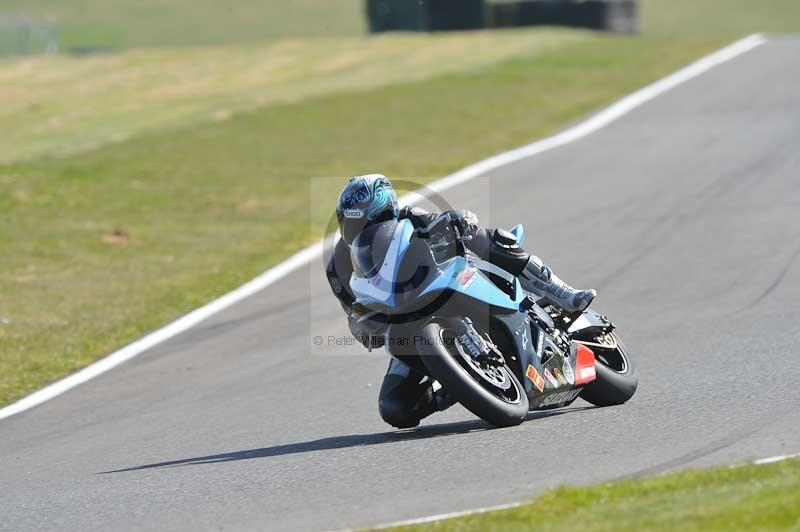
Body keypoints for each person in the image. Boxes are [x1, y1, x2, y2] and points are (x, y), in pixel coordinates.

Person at [326, 174, 595, 428]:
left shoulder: (413, 217)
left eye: (374, 217)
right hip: (404, 322)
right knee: (395, 407)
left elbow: (448, 222)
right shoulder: (338, 267)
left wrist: (457, 221)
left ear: (390, 208)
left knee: (488, 238)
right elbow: (353, 310)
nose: (364, 228)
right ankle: (462, 382)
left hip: (447, 285)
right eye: (354, 223)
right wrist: (364, 328)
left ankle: (562, 292)